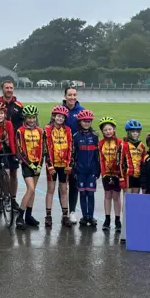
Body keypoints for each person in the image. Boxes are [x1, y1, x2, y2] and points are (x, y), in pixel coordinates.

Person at [0, 80, 23, 210]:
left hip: (13, 144)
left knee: (13, 172)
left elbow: (22, 126)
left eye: (11, 88)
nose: (9, 90)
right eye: (6, 88)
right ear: (2, 89)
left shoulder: (19, 105)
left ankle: (12, 198)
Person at [42, 105, 73, 227]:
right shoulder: (48, 129)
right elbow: (46, 148)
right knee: (51, 189)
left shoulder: (68, 131)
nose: (60, 119)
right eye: (58, 116)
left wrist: (69, 164)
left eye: (62, 117)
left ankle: (65, 216)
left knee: (64, 190)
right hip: (52, 165)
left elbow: (71, 147)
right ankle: (48, 216)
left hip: (64, 165)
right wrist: (49, 165)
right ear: (54, 116)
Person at [15, 104, 43, 230]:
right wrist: (30, 164)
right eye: (29, 118)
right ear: (25, 118)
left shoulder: (40, 131)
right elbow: (20, 151)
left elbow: (43, 149)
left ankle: (29, 216)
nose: (31, 120)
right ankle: (20, 216)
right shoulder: (20, 131)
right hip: (27, 164)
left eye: (33, 117)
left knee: (33, 191)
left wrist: (40, 164)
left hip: (37, 164)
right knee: (30, 189)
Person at [71, 110, 101, 226]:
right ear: (80, 122)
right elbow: (73, 154)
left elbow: (97, 155)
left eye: (89, 121)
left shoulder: (95, 136)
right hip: (80, 170)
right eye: (84, 121)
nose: (86, 123)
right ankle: (84, 217)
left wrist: (98, 170)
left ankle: (91, 216)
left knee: (91, 194)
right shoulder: (76, 136)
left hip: (92, 170)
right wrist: (74, 169)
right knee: (82, 194)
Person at [62, 86, 84, 224]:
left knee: (74, 183)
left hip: (77, 151)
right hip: (62, 151)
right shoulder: (60, 110)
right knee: (63, 183)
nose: (72, 97)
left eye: (74, 95)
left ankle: (72, 211)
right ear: (65, 96)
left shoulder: (81, 111)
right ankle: (64, 210)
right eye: (69, 95)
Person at [98, 116, 122, 232]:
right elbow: (100, 159)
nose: (108, 132)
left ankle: (117, 220)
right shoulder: (101, 143)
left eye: (110, 129)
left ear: (114, 129)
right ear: (102, 131)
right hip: (106, 174)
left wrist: (120, 173)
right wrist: (103, 173)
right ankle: (107, 219)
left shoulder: (119, 143)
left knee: (116, 197)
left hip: (117, 174)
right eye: (105, 130)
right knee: (107, 196)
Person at [119, 119, 146, 194]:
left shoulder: (142, 146)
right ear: (128, 132)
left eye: (137, 132)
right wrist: (121, 178)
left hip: (138, 176)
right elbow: (119, 163)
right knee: (127, 200)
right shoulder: (123, 145)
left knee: (135, 200)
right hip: (127, 176)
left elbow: (144, 163)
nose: (135, 133)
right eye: (133, 131)